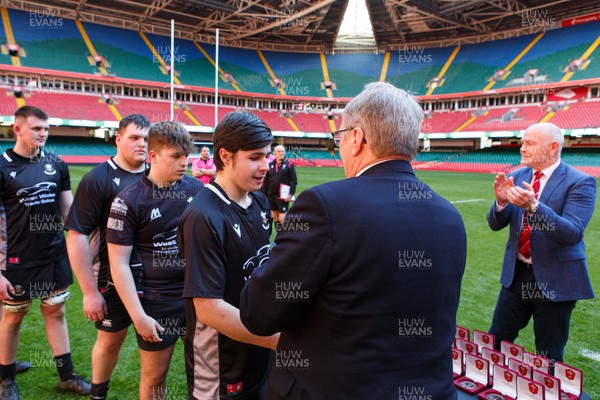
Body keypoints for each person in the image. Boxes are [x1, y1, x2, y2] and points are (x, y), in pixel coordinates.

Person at [240, 82, 467, 399]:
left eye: (340, 138)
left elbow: (259, 313)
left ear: (357, 138)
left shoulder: (325, 205)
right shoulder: (449, 217)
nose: (341, 147)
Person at [178, 111, 279, 400]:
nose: (265, 167)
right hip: (220, 364)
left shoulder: (259, 201)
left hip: (256, 348)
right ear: (225, 156)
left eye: (267, 156)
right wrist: (280, 340)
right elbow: (209, 308)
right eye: (255, 157)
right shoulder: (203, 216)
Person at [106, 121, 203, 400]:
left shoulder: (198, 191)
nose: (184, 162)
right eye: (176, 156)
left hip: (199, 298)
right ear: (154, 156)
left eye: (186, 156)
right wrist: (138, 316)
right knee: (155, 375)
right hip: (157, 303)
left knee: (205, 370)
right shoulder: (128, 201)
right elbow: (119, 263)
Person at [487, 122, 596, 367]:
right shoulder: (519, 175)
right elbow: (495, 224)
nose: (522, 149)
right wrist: (501, 203)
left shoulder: (580, 182)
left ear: (553, 147)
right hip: (516, 277)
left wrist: (534, 207)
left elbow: (572, 234)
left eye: (530, 143)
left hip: (556, 280)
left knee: (548, 355)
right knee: (495, 341)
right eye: (522, 142)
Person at [0, 106, 90, 400]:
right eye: (37, 128)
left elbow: (69, 213)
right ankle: (6, 380)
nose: (43, 134)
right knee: (14, 317)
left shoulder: (56, 164)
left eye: (46, 129)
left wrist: (87, 244)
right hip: (15, 259)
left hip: (53, 255)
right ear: (18, 129)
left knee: (56, 311)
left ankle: (66, 376)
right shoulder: (2, 167)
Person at [64, 114, 151, 400]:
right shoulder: (98, 179)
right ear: (118, 140)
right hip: (112, 279)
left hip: (157, 278)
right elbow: (76, 234)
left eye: (146, 138)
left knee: (156, 342)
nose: (142, 143)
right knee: (111, 340)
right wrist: (89, 292)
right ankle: (98, 395)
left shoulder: (156, 173)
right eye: (134, 138)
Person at [261, 145, 297, 225]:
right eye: (278, 151)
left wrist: (290, 194)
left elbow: (293, 181)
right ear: (274, 153)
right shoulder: (270, 165)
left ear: (284, 153)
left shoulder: (289, 165)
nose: (280, 153)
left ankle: (282, 237)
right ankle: (271, 237)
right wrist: (263, 195)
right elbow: (266, 182)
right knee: (272, 219)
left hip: (282, 197)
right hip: (270, 196)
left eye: (282, 151)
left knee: (282, 220)